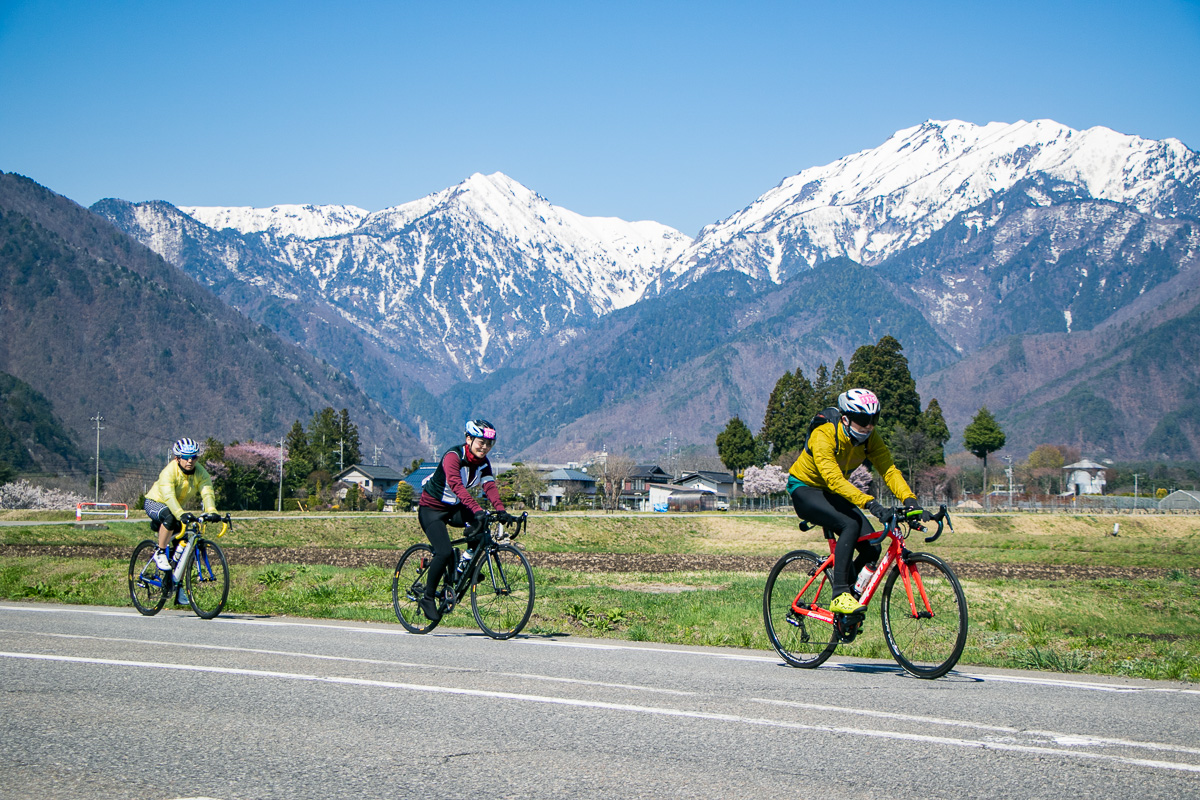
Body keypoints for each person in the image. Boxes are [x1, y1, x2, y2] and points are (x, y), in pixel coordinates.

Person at [787, 389, 927, 616]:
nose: (869, 426)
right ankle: (839, 594)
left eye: (874, 420)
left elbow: (889, 470)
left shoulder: (870, 438)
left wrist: (910, 500)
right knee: (849, 525)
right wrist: (870, 503)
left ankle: (849, 591)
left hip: (832, 491)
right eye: (863, 420)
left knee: (872, 548)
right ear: (845, 418)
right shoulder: (824, 434)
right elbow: (833, 479)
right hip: (805, 489)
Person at [416, 419, 515, 621]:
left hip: (454, 508)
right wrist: (477, 509)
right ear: (468, 439)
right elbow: (456, 486)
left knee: (483, 526)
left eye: (489, 444)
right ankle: (427, 597)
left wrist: (501, 510)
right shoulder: (453, 457)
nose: (485, 447)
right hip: (432, 510)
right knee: (443, 552)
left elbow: (489, 487)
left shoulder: (483, 463)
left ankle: (465, 567)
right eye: (481, 442)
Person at [144, 438, 221, 573]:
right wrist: (180, 514)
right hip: (155, 502)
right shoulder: (169, 472)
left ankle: (175, 586)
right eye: (185, 457)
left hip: (175, 507)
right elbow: (169, 496)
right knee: (170, 518)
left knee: (182, 548)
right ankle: (160, 552)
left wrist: (211, 511)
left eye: (194, 457)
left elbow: (207, 492)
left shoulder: (200, 472)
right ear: (177, 458)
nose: (190, 461)